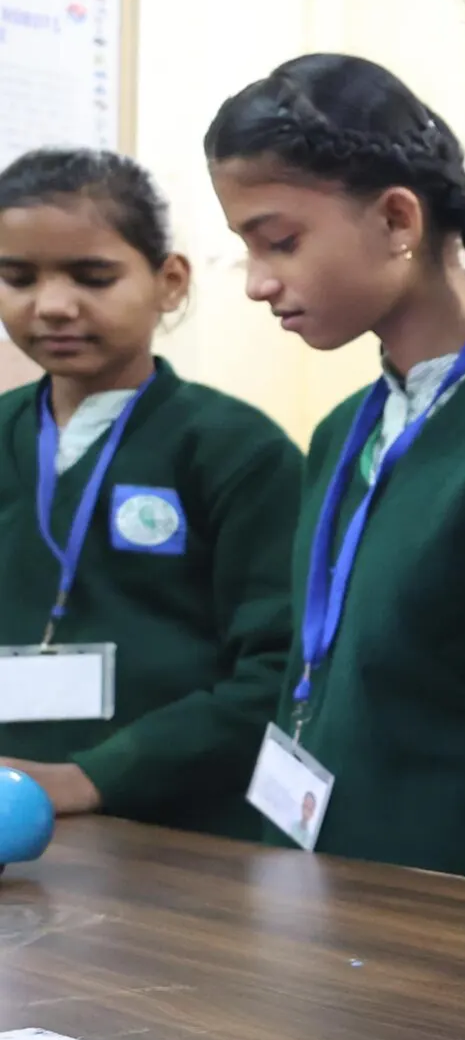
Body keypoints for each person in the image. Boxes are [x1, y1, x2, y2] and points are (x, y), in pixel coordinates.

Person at [207, 54, 465, 874]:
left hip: (454, 887)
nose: (260, 283)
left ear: (398, 220)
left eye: (281, 241)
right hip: (308, 863)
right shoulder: (342, 432)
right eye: (247, 248)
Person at [0, 149, 299, 834]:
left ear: (169, 282)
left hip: (181, 830)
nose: (52, 305)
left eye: (93, 276)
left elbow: (278, 670)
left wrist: (95, 776)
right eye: (17, 277)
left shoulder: (235, 450)